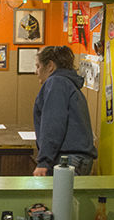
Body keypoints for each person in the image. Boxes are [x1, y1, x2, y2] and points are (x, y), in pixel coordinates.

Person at [33, 45, 97, 176]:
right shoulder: (68, 84)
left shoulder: (56, 83)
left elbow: (53, 123)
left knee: (60, 197)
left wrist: (43, 161)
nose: (36, 72)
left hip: (68, 160)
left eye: (38, 66)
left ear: (50, 66)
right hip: (79, 158)